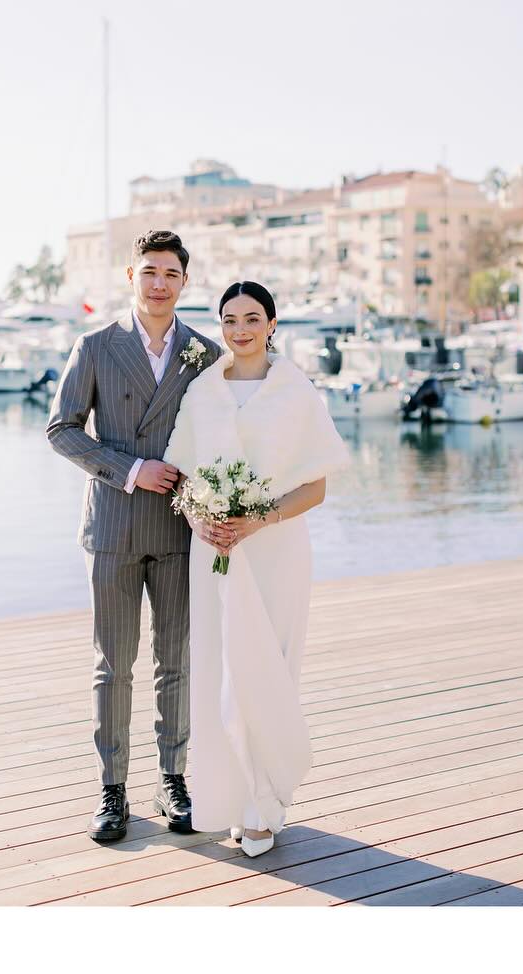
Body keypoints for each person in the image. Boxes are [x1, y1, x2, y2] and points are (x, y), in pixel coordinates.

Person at [47, 229, 221, 844]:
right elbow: (61, 429)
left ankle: (173, 778)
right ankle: (112, 788)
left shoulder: (204, 351)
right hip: (115, 527)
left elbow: (221, 436)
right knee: (113, 665)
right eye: (149, 271)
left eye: (170, 274)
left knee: (176, 662)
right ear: (131, 277)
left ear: (183, 282)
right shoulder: (95, 346)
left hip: (179, 528)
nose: (158, 283)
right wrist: (130, 470)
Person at [163, 281, 350, 853]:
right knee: (220, 668)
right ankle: (226, 802)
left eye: (251, 318)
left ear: (272, 323)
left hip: (275, 547)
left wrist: (256, 519)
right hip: (214, 546)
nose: (239, 330)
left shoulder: (297, 392)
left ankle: (265, 806)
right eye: (228, 319)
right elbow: (187, 475)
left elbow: (314, 487)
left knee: (269, 668)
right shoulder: (203, 390)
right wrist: (202, 520)